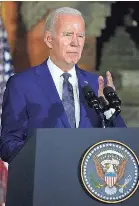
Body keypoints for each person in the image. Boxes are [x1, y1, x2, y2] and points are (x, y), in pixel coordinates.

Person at [0, 7, 126, 163]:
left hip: (88, 182)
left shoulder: (96, 85)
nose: (75, 42)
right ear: (49, 39)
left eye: (80, 36)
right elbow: (7, 144)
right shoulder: (22, 84)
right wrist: (42, 152)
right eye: (68, 35)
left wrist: (109, 112)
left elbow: (122, 142)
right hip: (43, 180)